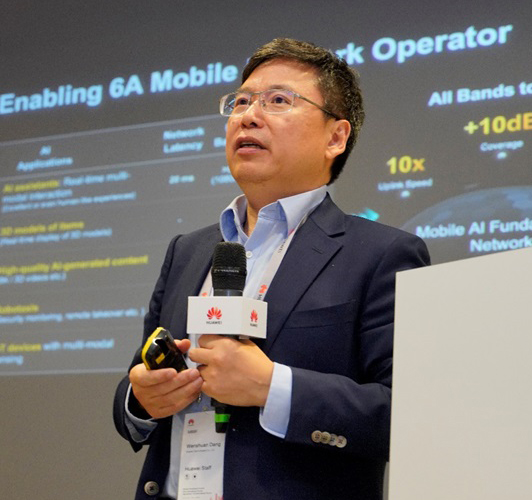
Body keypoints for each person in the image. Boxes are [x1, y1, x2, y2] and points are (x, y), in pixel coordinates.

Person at [113, 38, 430, 500]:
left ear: (336, 137)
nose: (248, 116)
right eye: (241, 102)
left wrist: (271, 387)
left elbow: (407, 415)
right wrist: (141, 399)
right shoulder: (188, 251)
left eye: (278, 100)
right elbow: (135, 385)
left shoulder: (382, 254)